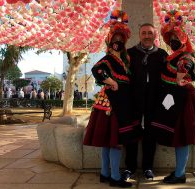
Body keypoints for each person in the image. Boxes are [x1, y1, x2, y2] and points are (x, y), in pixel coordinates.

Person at [150, 10, 195, 184]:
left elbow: (181, 75)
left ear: (184, 38)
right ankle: (178, 172)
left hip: (183, 100)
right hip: (173, 98)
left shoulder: (185, 56)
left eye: (176, 38)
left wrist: (179, 77)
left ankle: (180, 173)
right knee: (178, 137)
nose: (173, 41)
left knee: (182, 136)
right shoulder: (174, 56)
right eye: (171, 38)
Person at [83, 10, 142, 188]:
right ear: (109, 41)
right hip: (111, 104)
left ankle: (105, 173)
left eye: (120, 40)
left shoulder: (124, 60)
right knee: (114, 141)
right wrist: (112, 82)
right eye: (115, 39)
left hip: (120, 103)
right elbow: (97, 70)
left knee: (110, 142)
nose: (118, 42)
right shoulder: (108, 58)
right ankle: (115, 177)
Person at [122, 23, 168, 180]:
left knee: (150, 135)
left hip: (154, 102)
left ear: (155, 35)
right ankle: (130, 168)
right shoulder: (129, 54)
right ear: (139, 35)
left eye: (150, 33)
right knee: (131, 135)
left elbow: (167, 79)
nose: (147, 36)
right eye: (144, 33)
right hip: (133, 102)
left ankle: (148, 167)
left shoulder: (162, 54)